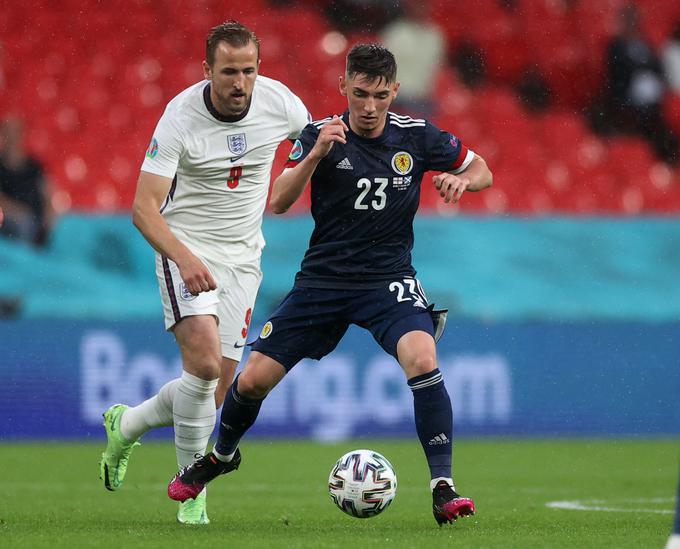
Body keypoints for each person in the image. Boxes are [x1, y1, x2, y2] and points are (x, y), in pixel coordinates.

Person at [167, 43, 493, 526]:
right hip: (323, 281)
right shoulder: (319, 133)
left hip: (388, 280)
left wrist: (462, 182)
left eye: (380, 96)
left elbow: (480, 168)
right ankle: (221, 455)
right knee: (252, 380)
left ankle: (442, 487)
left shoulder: (418, 135)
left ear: (394, 92)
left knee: (423, 357)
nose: (368, 107)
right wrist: (316, 153)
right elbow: (278, 200)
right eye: (359, 93)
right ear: (343, 86)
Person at [98, 20, 310, 525]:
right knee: (205, 363)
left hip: (243, 260)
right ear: (207, 70)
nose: (240, 83)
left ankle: (126, 423)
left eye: (249, 71)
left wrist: (306, 165)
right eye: (229, 71)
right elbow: (144, 209)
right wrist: (185, 258)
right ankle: (192, 498)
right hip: (184, 250)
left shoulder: (280, 102)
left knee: (210, 395)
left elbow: (315, 138)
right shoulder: (180, 117)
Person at [600, 3, 678, 165]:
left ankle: (664, 155)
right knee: (644, 113)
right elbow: (617, 73)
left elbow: (658, 67)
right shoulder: (616, 46)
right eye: (628, 20)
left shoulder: (645, 44)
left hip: (654, 94)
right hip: (628, 93)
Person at [0, 115, 54, 247]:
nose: (13, 137)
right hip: (11, 224)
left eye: (16, 132)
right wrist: (18, 213)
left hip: (36, 225)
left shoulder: (35, 166)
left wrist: (50, 218)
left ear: (23, 134)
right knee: (23, 224)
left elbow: (48, 196)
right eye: (8, 131)